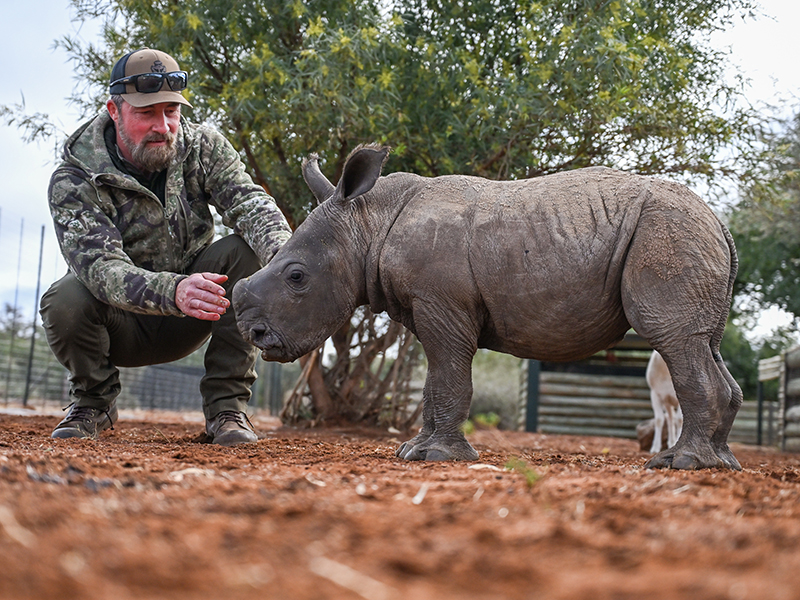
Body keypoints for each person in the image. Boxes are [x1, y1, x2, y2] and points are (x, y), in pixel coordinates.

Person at [41, 48, 292, 445]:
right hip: (121, 324)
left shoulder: (204, 147)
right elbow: (102, 269)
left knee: (246, 251)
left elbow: (250, 203)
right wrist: (173, 290)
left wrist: (287, 264)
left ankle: (227, 410)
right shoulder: (75, 179)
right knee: (63, 300)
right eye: (146, 113)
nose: (163, 126)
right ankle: (94, 401)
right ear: (114, 109)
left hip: (198, 311)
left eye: (171, 112)